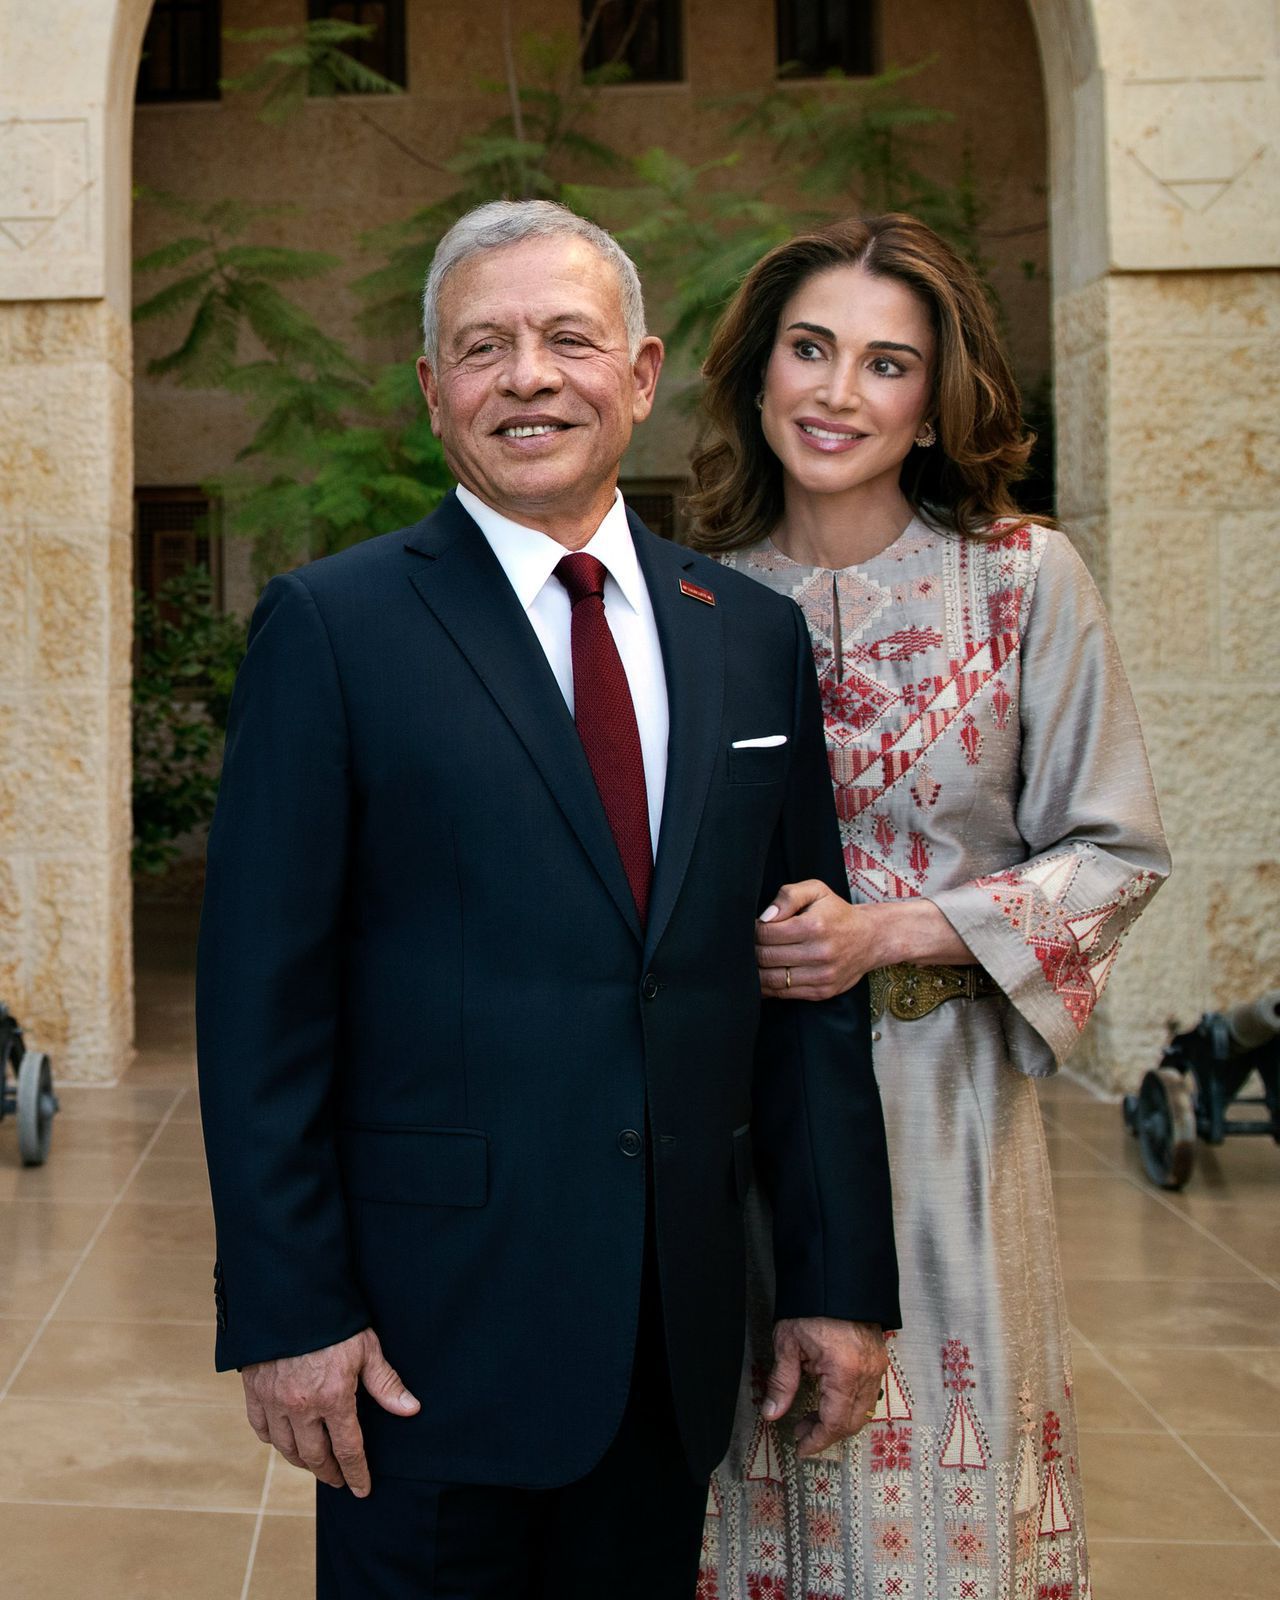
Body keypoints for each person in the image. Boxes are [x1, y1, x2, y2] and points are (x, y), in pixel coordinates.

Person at [196, 200, 900, 1600]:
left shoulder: (750, 639)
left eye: (569, 340)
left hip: (670, 1333)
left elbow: (800, 979)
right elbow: (261, 1001)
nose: (528, 377)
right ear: (432, 390)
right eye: (483, 347)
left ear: (639, 375)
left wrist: (836, 1280)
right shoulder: (333, 629)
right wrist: (289, 1310)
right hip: (421, 1345)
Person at [689, 214, 1169, 1599]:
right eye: (810, 349)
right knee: (732, 1485)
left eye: (886, 363)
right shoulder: (692, 597)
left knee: (946, 1517)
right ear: (758, 372)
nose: (838, 393)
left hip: (948, 1110)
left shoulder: (1022, 580)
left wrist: (886, 931)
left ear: (935, 397)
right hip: (734, 1112)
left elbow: (1116, 853)